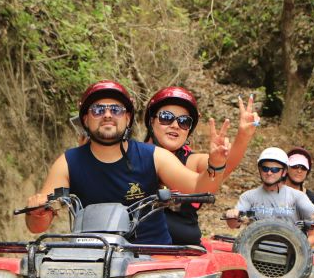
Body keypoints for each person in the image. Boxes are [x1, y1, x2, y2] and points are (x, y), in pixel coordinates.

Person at [25, 80, 230, 244]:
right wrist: (37, 210)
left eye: (116, 110)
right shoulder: (68, 162)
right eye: (98, 110)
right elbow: (37, 226)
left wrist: (217, 163)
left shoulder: (154, 156)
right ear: (86, 119)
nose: (107, 115)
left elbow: (200, 187)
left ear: (128, 118)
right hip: (92, 258)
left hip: (153, 260)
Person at [143, 87, 259, 245]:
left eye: (184, 121)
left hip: (184, 252)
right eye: (166, 117)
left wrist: (243, 137)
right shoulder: (132, 154)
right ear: (151, 120)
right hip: (136, 249)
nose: (175, 125)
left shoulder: (191, 161)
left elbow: (223, 167)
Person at [225, 147, 314, 246]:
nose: (269, 173)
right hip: (254, 249)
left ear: (284, 171)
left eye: (275, 169)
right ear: (259, 170)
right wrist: (233, 215)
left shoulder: (298, 196)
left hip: (290, 253)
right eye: (265, 169)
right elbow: (233, 224)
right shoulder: (248, 196)